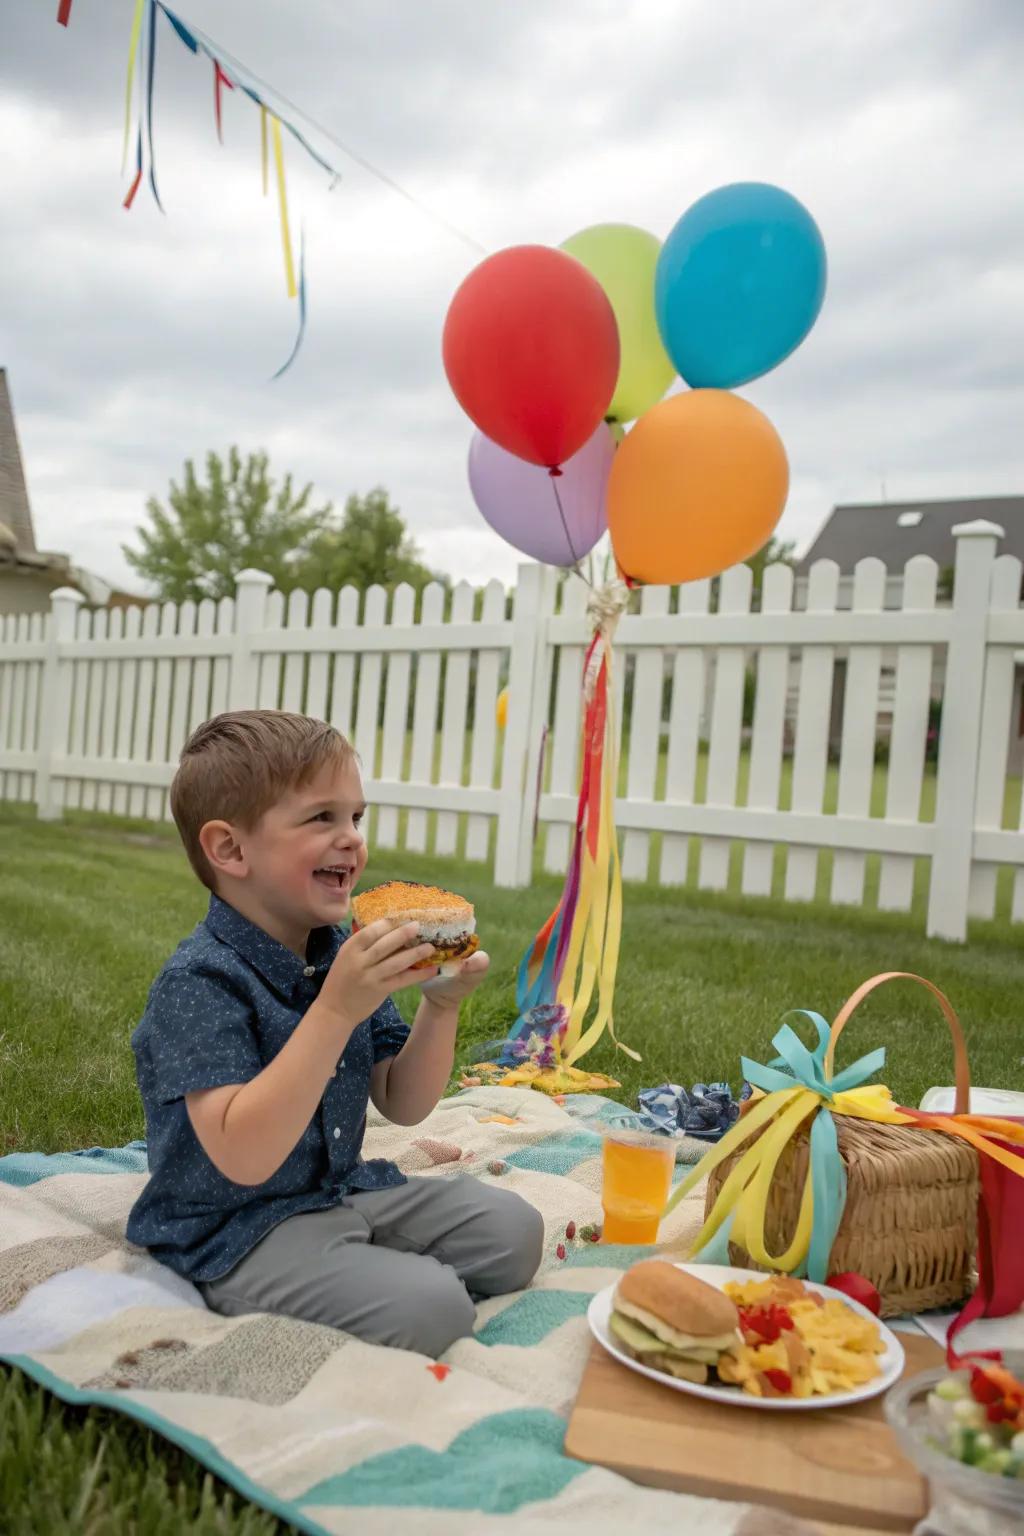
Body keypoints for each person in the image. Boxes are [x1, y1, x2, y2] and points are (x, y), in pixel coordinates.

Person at [126, 709, 543, 1358]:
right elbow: (244, 1154)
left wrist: (441, 1006)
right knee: (432, 1307)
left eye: (356, 817)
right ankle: (348, 1277)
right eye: (322, 818)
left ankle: (355, 1261)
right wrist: (334, 1011)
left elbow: (402, 1102)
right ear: (230, 849)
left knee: (514, 1232)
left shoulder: (339, 952)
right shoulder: (198, 984)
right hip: (234, 1231)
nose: (352, 839)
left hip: (338, 1193)